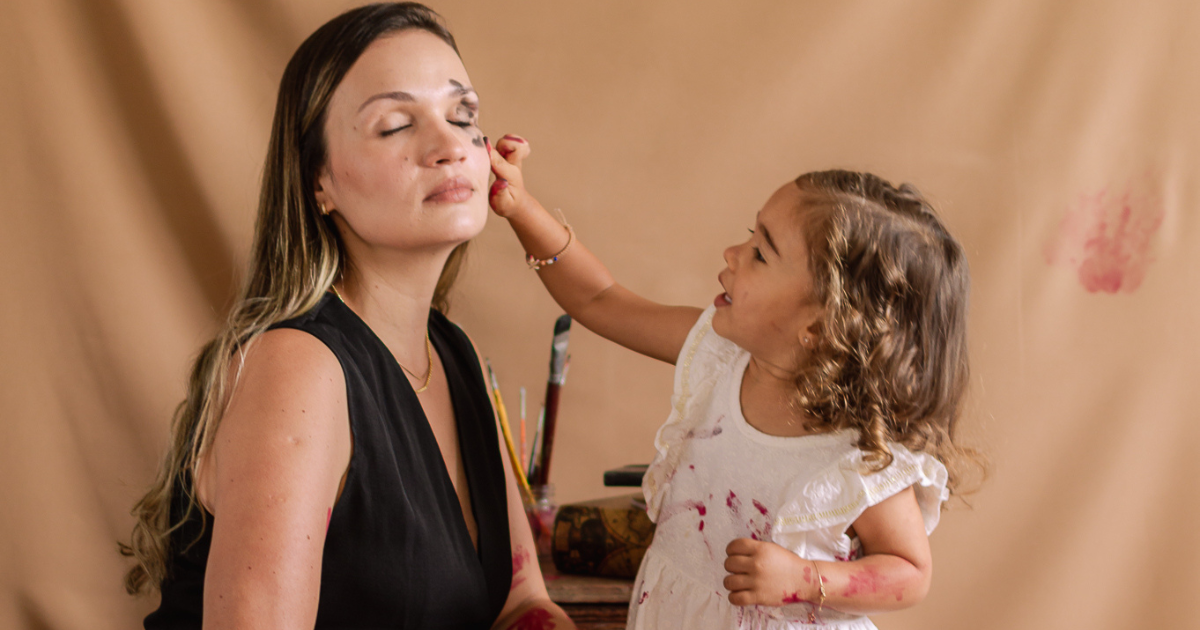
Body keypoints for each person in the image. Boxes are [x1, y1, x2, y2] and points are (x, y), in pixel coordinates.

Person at [121, 4, 573, 628]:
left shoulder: (452, 352)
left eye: (463, 116)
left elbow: (521, 600)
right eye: (394, 125)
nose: (448, 146)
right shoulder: (297, 370)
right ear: (319, 183)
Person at [486, 136, 984, 629]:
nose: (732, 252)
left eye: (760, 253)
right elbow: (598, 300)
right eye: (749, 235)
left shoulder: (859, 454)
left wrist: (807, 579)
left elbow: (909, 574)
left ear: (820, 324)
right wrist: (520, 207)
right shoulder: (718, 356)